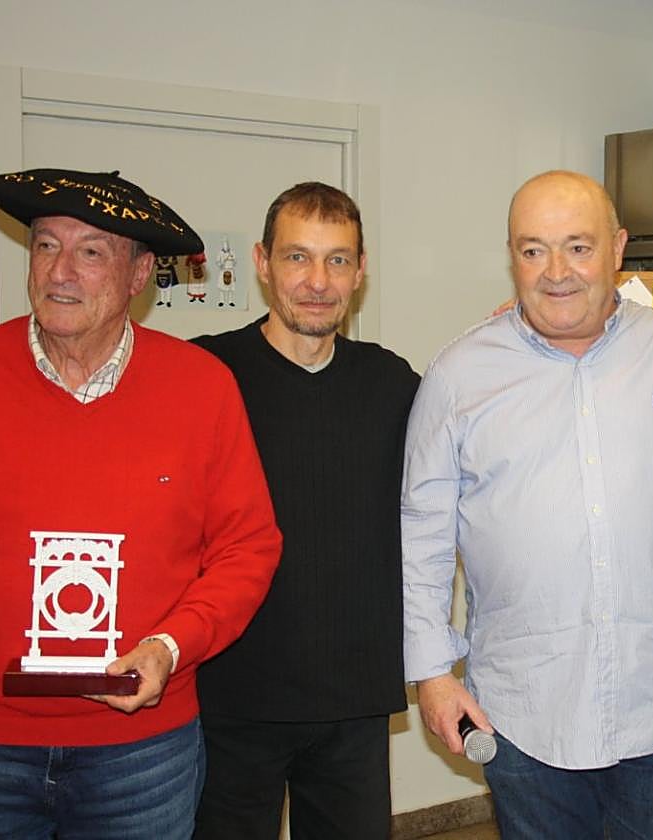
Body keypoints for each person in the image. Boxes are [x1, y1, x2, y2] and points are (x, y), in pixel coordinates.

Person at [402, 170, 653, 839]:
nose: (557, 272)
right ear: (511, 255)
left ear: (618, 248)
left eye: (578, 246)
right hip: (523, 711)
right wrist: (431, 672)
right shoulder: (459, 375)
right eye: (533, 249)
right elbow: (421, 535)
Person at [0, 168, 282, 839]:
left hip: (142, 753)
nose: (60, 272)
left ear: (138, 275)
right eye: (45, 246)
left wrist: (168, 646)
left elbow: (249, 547)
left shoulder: (202, 388)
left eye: (91, 252)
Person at [192, 182, 419, 840]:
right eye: (298, 258)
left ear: (361, 270)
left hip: (352, 706)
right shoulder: (209, 374)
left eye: (338, 260)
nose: (318, 281)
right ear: (262, 262)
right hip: (232, 698)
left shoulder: (392, 384)